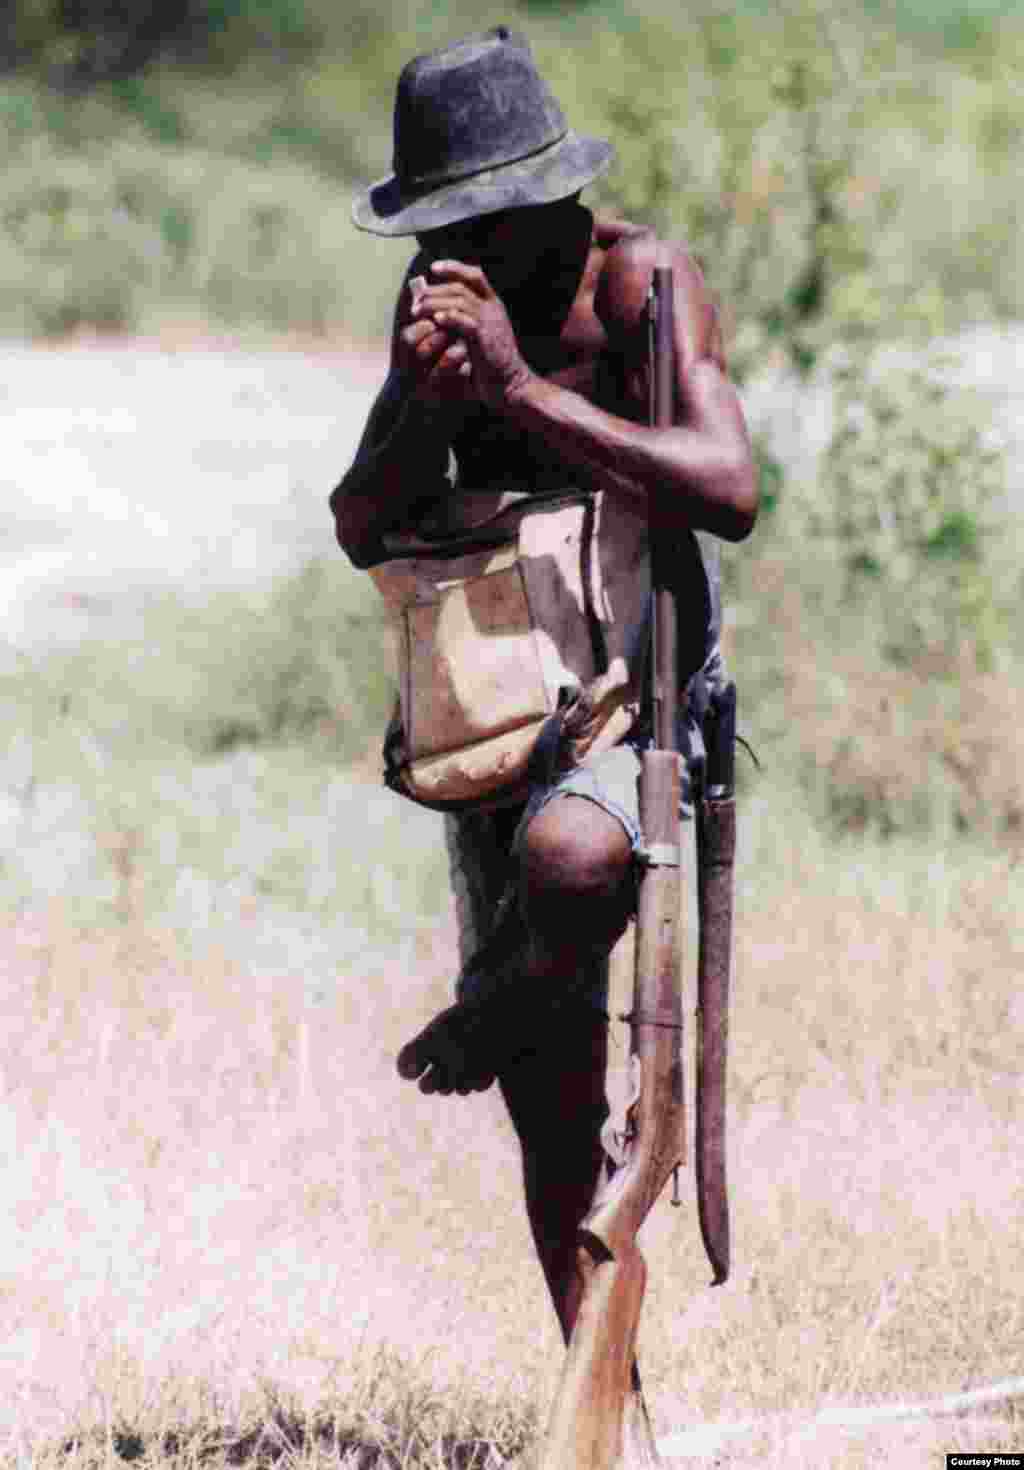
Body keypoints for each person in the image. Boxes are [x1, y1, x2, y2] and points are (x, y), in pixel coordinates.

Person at [331, 26, 757, 1351]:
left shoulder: (644, 285)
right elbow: (360, 521)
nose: (455, 254)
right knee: (550, 1090)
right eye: (437, 228)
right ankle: (594, 1382)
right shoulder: (441, 316)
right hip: (496, 697)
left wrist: (522, 390)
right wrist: (419, 398)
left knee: (574, 853)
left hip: (642, 666)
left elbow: (727, 489)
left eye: (480, 222)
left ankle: (509, 985)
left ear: (554, 199)